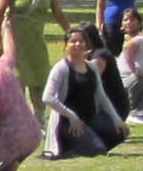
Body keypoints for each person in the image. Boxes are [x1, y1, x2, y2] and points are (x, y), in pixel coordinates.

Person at [0, 0, 70, 121]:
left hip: (36, 38)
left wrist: (70, 33)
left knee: (40, 76)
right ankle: (19, 118)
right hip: (15, 38)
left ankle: (38, 118)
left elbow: (58, 13)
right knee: (17, 78)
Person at [43, 27, 130, 159]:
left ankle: (86, 143)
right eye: (73, 41)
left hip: (89, 119)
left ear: (86, 45)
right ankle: (72, 146)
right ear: (66, 46)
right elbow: (47, 97)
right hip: (68, 123)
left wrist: (116, 118)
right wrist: (71, 116)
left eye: (81, 41)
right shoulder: (61, 68)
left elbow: (101, 96)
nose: (77, 44)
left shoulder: (92, 67)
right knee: (97, 150)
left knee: (120, 132)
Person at [79, 22, 130, 122]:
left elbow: (87, 79)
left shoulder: (101, 55)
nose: (78, 43)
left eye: (81, 39)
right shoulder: (91, 55)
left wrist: (80, 60)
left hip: (114, 109)